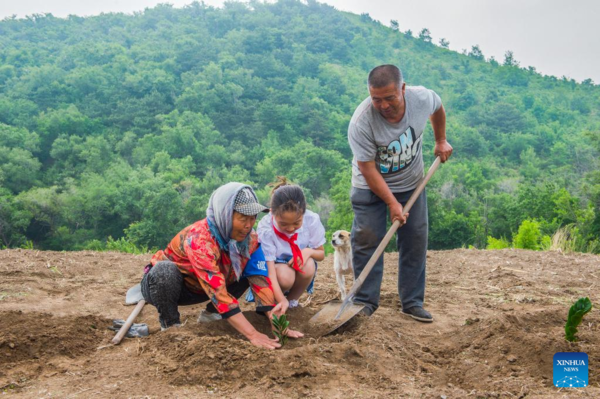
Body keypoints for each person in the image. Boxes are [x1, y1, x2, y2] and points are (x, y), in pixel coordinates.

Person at [140, 182, 303, 349]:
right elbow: (217, 289)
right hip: (177, 287)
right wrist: (253, 335)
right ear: (225, 214)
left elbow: (259, 278)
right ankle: (170, 325)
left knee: (248, 269)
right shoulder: (200, 239)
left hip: (204, 289)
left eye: (253, 218)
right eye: (243, 218)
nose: (249, 225)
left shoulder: (250, 239)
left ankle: (213, 313)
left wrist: (275, 320)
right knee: (164, 271)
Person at [347, 64, 453, 323]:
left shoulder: (421, 98)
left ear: (403, 89)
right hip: (369, 185)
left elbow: (437, 108)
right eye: (376, 99)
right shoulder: (361, 122)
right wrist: (392, 203)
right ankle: (364, 302)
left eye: (389, 98)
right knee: (367, 237)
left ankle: (412, 302)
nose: (383, 105)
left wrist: (440, 140)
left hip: (411, 182)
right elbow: (368, 168)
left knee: (415, 237)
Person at [254, 177, 326, 314]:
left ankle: (292, 302)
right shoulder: (266, 228)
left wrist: (308, 252)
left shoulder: (311, 220)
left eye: (296, 223)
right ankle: (274, 301)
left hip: (298, 264)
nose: (291, 228)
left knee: (309, 264)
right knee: (285, 277)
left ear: (304, 212)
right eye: (283, 224)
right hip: (276, 267)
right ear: (272, 213)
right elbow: (269, 272)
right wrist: (281, 299)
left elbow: (321, 254)